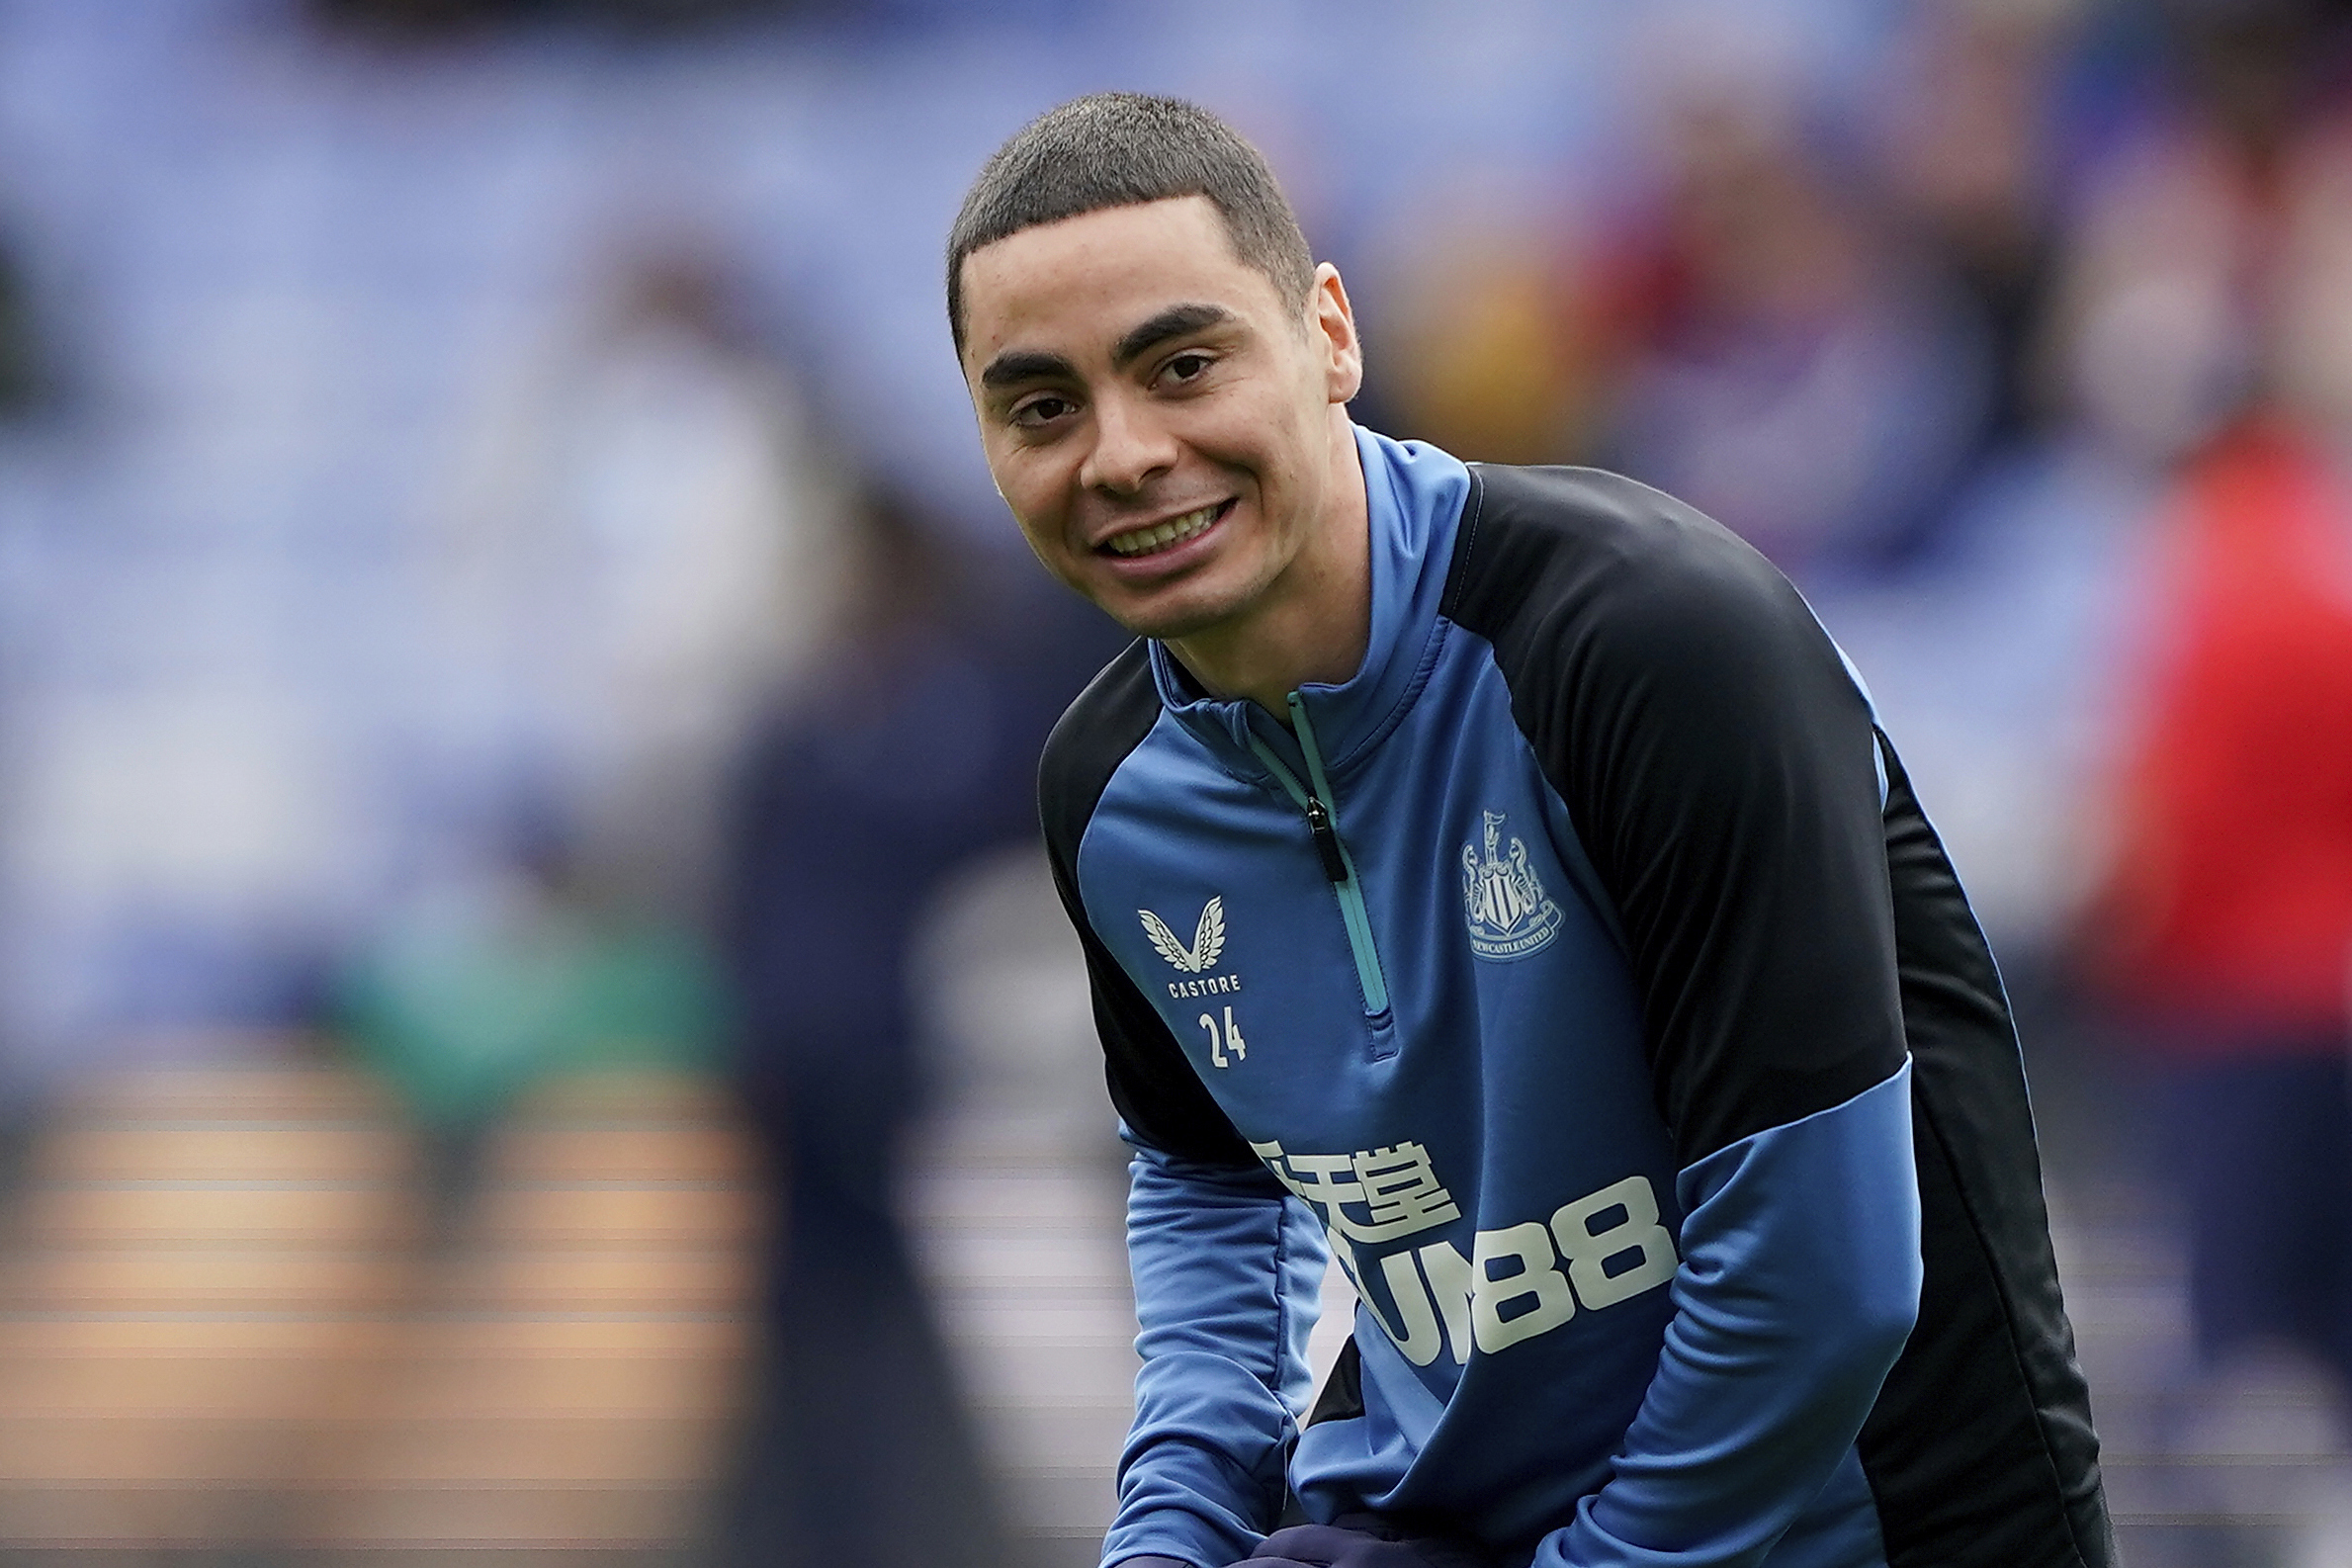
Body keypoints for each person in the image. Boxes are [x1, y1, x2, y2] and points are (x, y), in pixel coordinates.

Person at [947, 93, 2111, 1568]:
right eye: (1042, 407)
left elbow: (1822, 1286)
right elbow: (1212, 1182)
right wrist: (1169, 1534)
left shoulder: (1652, 644)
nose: (1121, 453)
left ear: (1329, 336)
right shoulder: (1109, 788)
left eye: (1183, 365)